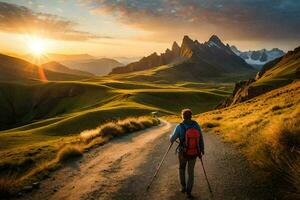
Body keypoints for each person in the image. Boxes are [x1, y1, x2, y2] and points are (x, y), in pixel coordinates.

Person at [170, 108, 204, 199]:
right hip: (194, 152)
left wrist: (171, 136)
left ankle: (183, 187)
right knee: (191, 172)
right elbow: (200, 138)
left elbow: (172, 139)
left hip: (182, 152)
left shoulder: (179, 126)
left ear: (182, 116)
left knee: (182, 168)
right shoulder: (196, 125)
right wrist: (202, 150)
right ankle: (189, 192)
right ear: (191, 116)